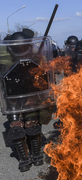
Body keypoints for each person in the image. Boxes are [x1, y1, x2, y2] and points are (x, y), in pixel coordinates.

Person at [0, 32, 55, 172]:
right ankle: (24, 159)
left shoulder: (36, 57)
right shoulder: (4, 60)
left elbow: (45, 76)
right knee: (16, 129)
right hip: (12, 100)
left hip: (31, 97)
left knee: (33, 126)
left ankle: (36, 155)